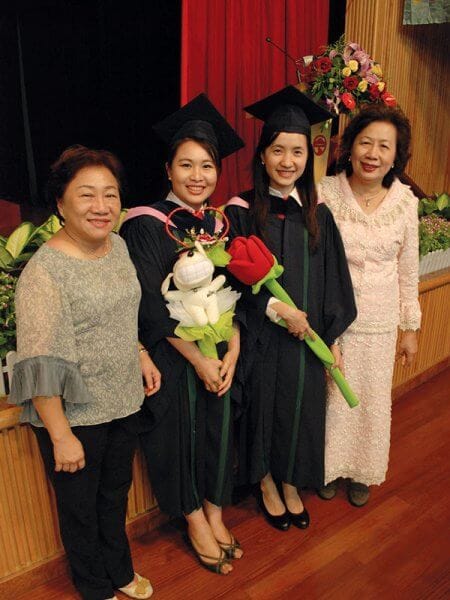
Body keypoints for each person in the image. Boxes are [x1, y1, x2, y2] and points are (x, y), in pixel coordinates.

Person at [9, 145, 160, 600]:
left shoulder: (118, 246)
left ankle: (119, 570)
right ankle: (94, 587)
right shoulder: (44, 272)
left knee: (114, 496)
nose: (101, 206)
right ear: (61, 203)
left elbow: (120, 314)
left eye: (110, 194)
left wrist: (139, 352)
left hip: (122, 399)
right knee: (80, 509)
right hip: (74, 416)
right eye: (87, 194)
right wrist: (60, 435)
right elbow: (39, 362)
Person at [120, 95, 245, 575]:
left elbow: (239, 292)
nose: (197, 176)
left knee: (219, 430)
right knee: (178, 434)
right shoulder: (146, 224)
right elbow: (150, 306)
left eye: (207, 166)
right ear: (168, 169)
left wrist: (232, 349)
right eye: (186, 165)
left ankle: (215, 509)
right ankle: (193, 518)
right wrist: (197, 359)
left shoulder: (220, 224)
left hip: (220, 350)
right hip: (174, 355)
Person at [224, 86, 357, 531]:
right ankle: (265, 480)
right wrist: (277, 311)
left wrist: (331, 339)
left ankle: (290, 480)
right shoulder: (241, 211)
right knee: (263, 407)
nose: (287, 161)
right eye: (277, 150)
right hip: (262, 338)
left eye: (297, 151)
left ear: (308, 157)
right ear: (262, 155)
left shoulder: (320, 215)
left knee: (300, 410)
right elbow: (230, 280)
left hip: (307, 341)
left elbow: (334, 282)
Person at [317, 104, 421, 506]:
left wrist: (409, 329)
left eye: (384, 146)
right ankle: (327, 466)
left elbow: (408, 270)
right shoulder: (326, 192)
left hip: (380, 321)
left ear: (396, 155)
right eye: (365, 143)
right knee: (331, 400)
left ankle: (362, 470)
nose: (373, 154)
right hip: (333, 319)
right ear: (350, 146)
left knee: (372, 401)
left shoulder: (405, 203)